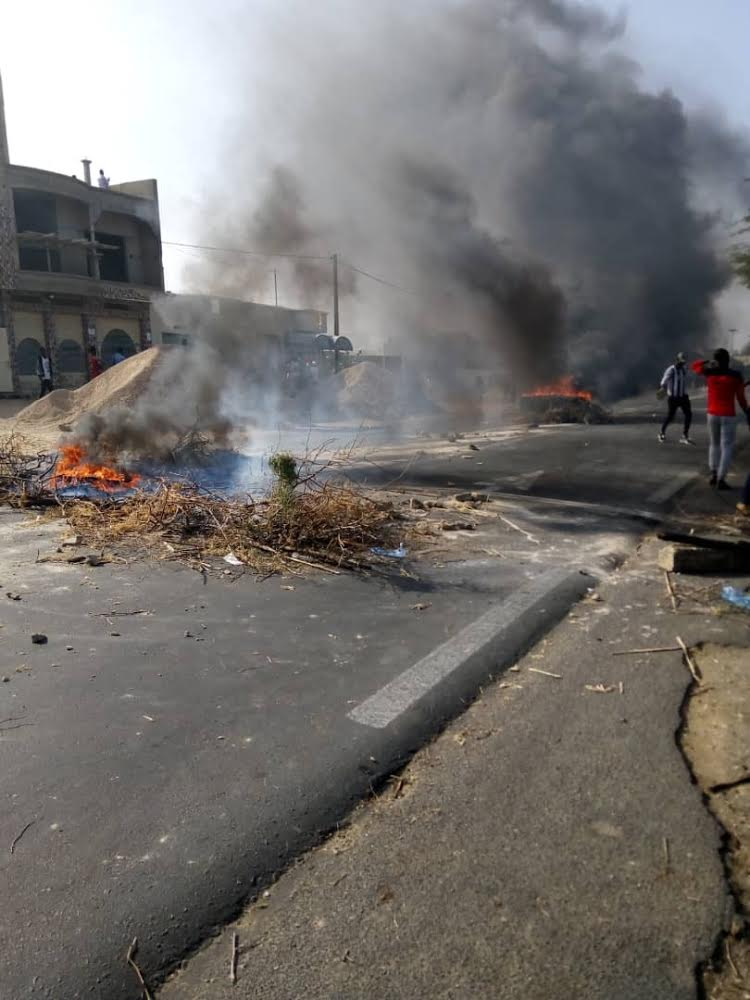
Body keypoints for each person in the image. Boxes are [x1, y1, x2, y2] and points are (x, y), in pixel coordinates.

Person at [692, 348, 750, 489]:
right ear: (728, 360)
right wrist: (747, 411)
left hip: (712, 414)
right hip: (728, 415)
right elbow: (741, 398)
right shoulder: (736, 376)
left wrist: (708, 362)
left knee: (714, 444)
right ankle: (721, 479)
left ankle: (713, 473)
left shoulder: (710, 373)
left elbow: (695, 366)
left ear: (716, 360)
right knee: (727, 447)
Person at [658, 352, 692, 444]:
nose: (683, 363)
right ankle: (661, 432)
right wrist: (662, 388)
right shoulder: (671, 370)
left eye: (684, 362)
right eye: (681, 361)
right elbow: (663, 381)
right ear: (677, 360)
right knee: (671, 417)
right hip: (673, 398)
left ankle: (684, 435)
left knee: (688, 415)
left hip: (683, 397)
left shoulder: (683, 369)